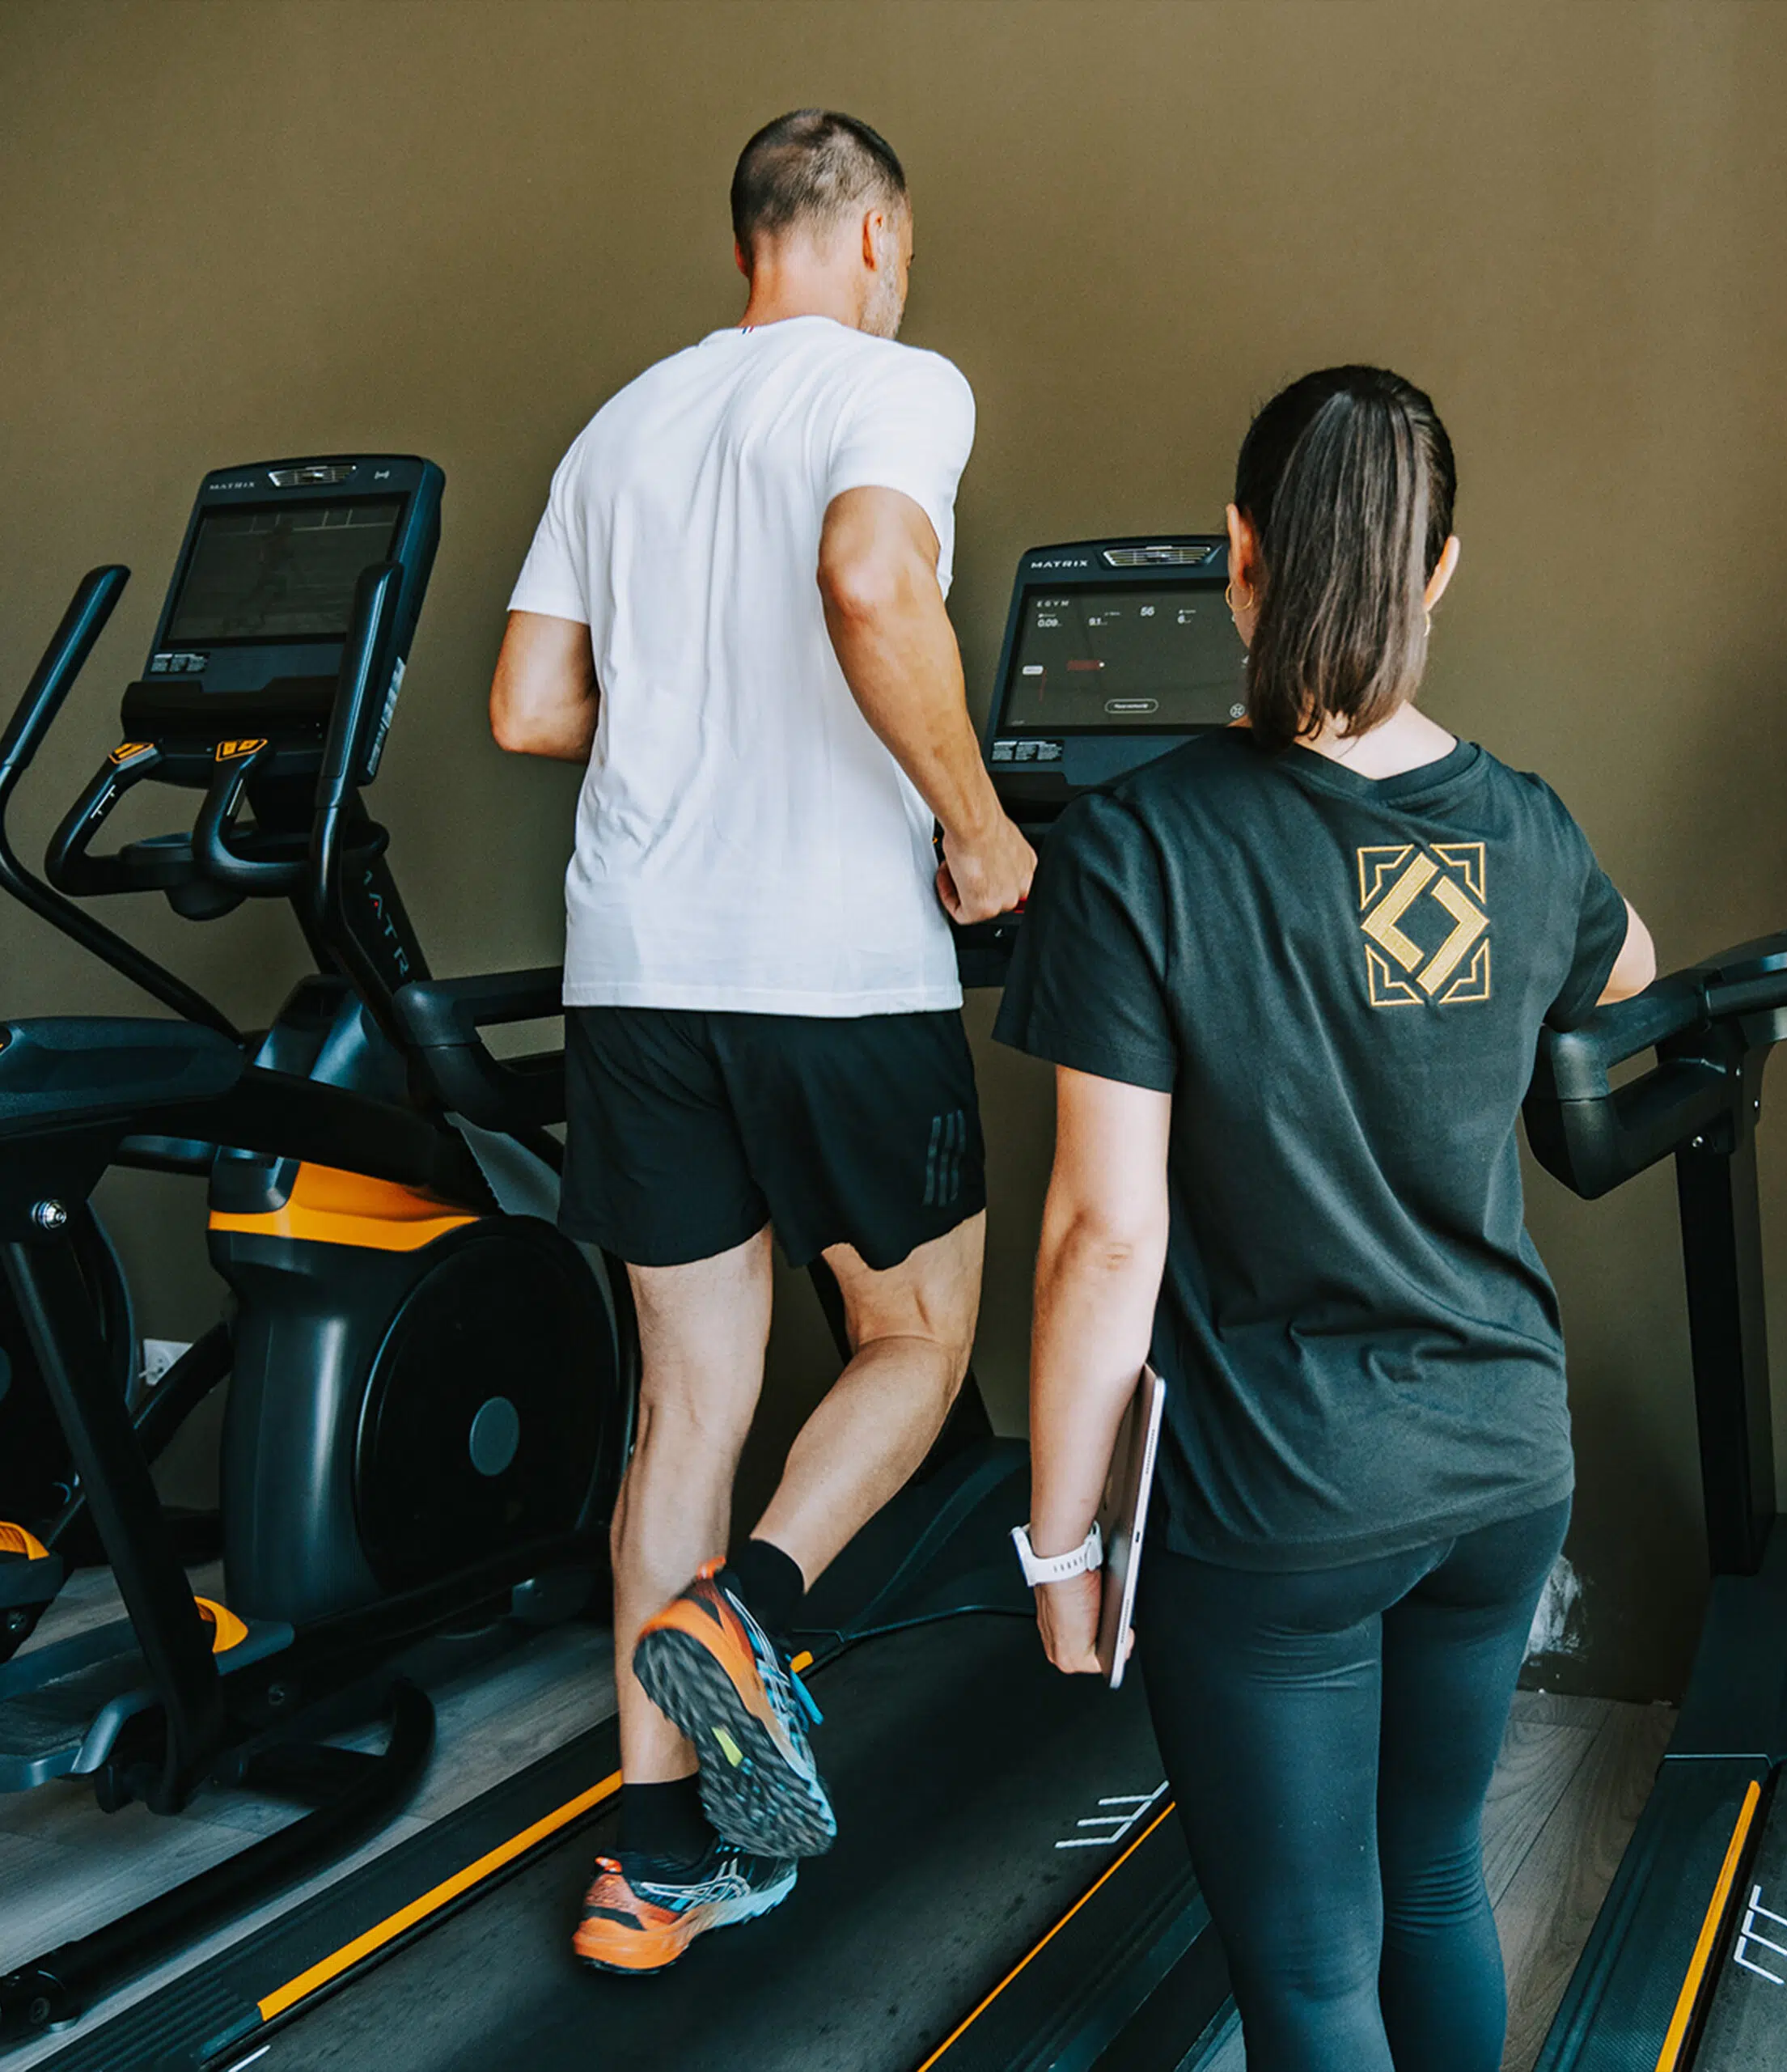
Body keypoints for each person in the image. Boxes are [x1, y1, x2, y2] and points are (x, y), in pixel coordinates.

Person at [993, 366, 1655, 2071]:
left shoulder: (1135, 849)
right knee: (1433, 1883)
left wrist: (1061, 1540)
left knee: (1300, 1969)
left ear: (1237, 554)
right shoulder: (1526, 825)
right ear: (1437, 570)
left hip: (1277, 1498)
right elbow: (1629, 972)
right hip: (1503, 1459)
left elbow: (1099, 1241)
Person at [490, 107, 1034, 1976]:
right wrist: (973, 831)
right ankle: (758, 1607)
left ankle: (645, 1866)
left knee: (686, 1408)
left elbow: (526, 701)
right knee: (914, 1334)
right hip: (831, 968)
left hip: (635, 968)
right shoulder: (896, 384)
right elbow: (875, 582)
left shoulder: (623, 419)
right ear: (872, 236)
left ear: (752, 243)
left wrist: (691, 719)